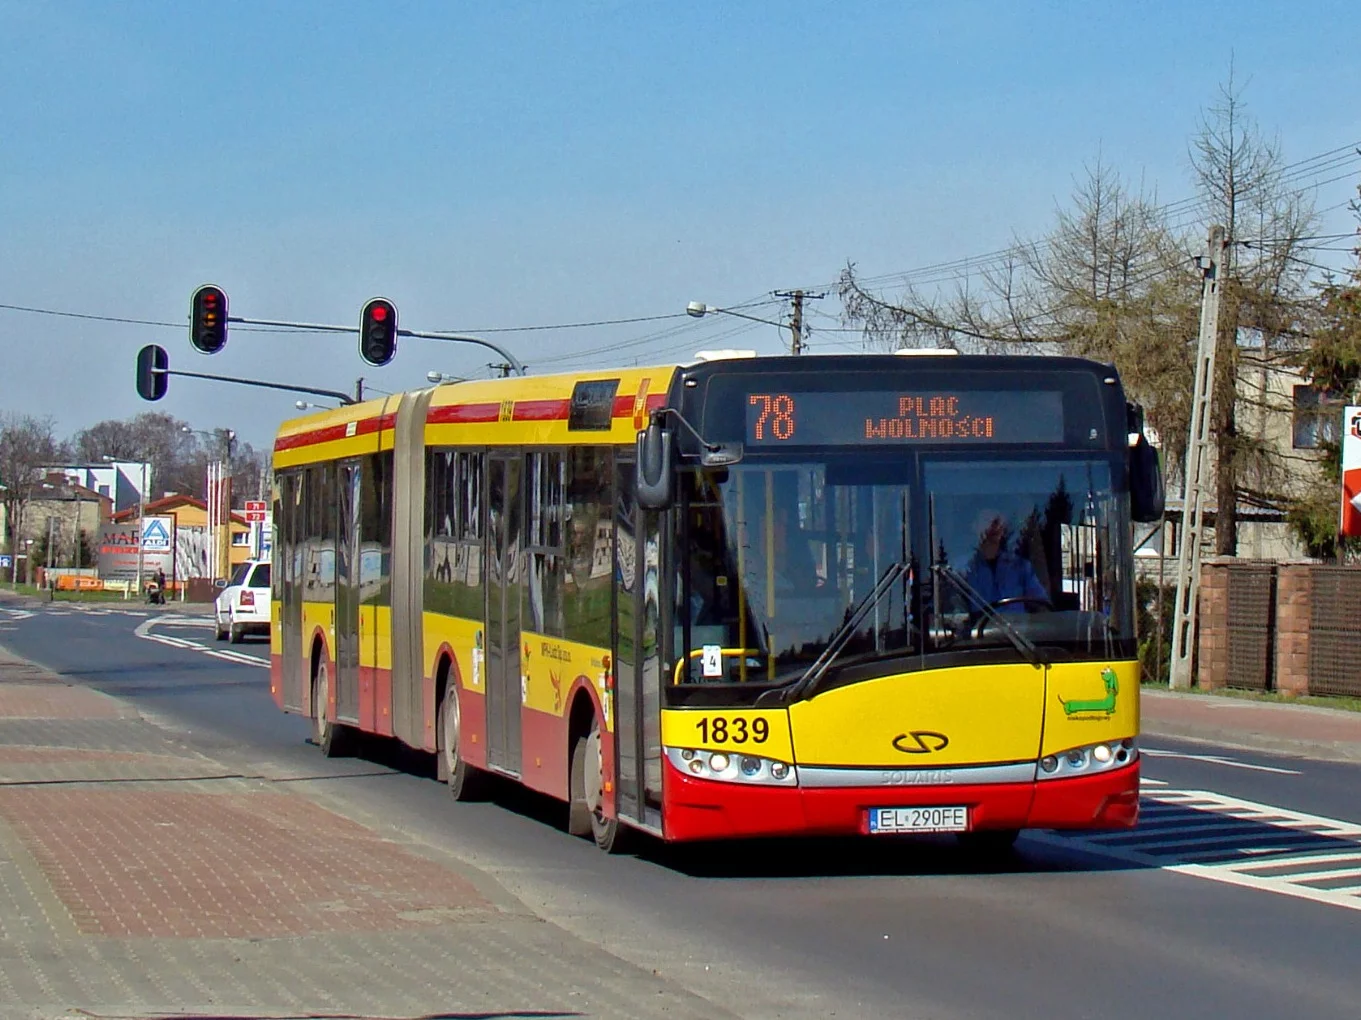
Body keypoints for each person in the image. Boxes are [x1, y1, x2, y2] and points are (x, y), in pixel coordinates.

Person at [961, 509, 1048, 612]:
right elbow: (955, 614)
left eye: (998, 521)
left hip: (1016, 628)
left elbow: (1042, 606)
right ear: (974, 527)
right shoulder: (963, 568)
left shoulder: (1021, 566)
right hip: (979, 628)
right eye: (987, 520)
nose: (994, 525)